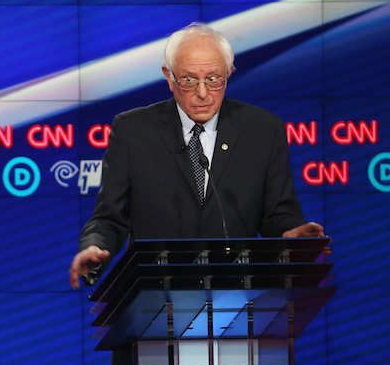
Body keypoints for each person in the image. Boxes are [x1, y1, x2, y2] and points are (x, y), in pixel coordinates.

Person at [70, 22, 324, 288]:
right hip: (154, 296)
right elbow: (110, 217)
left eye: (214, 79)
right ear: (169, 77)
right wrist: (93, 248)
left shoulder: (263, 130)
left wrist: (292, 232)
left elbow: (278, 213)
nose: (202, 93)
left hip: (236, 297)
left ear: (230, 74)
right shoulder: (132, 131)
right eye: (189, 80)